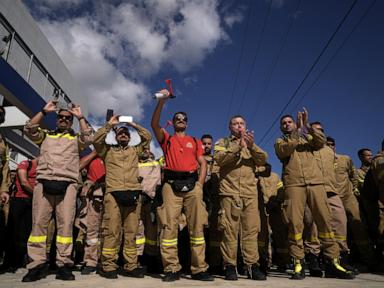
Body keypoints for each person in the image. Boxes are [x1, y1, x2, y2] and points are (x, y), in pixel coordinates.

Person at [274, 109, 354, 280]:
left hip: (316, 183)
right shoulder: (280, 141)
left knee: (325, 221)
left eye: (290, 122)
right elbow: (284, 152)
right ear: (282, 128)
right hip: (294, 184)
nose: (287, 124)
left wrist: (307, 127)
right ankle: (298, 262)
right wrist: (296, 132)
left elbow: (321, 141)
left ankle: (332, 261)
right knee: (295, 223)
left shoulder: (307, 138)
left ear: (295, 123)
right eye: (284, 123)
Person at [22, 101, 92, 282]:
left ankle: (64, 264)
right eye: (61, 117)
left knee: (66, 225)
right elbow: (30, 128)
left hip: (67, 185)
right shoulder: (45, 136)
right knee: (38, 224)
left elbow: (88, 139)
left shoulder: (76, 139)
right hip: (43, 184)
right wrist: (43, 112)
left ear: (71, 121)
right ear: (56, 119)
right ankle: (36, 264)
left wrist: (80, 117)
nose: (63, 120)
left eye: (67, 118)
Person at [151, 89, 213, 282]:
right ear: (174, 121)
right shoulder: (167, 139)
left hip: (192, 185)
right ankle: (171, 268)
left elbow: (203, 162)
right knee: (169, 227)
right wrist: (162, 101)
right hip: (171, 186)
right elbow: (154, 124)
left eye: (183, 118)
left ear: (187, 122)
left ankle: (199, 269)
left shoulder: (194, 141)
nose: (180, 120)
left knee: (197, 229)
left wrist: (200, 185)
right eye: (177, 117)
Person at [93, 115, 151, 279]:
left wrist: (132, 124)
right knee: (112, 232)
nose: (123, 135)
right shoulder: (107, 151)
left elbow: (147, 137)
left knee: (131, 232)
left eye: (126, 133)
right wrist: (109, 125)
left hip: (132, 193)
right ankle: (108, 265)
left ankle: (131, 266)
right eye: (120, 133)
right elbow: (96, 140)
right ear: (116, 136)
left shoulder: (136, 150)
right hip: (113, 194)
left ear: (130, 136)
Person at [214, 115, 268, 281]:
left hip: (249, 194)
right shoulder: (222, 143)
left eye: (241, 123)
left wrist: (250, 147)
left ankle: (252, 265)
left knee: (251, 231)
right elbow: (219, 159)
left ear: (245, 126)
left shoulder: (251, 145)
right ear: (230, 127)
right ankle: (230, 265)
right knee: (229, 231)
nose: (239, 126)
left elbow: (263, 159)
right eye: (235, 124)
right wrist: (238, 147)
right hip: (229, 193)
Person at [327, 137, 379, 271]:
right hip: (331, 197)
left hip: (348, 197)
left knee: (358, 225)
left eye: (332, 144)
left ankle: (369, 259)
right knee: (337, 229)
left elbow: (353, 175)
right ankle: (340, 259)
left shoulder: (345, 159)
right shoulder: (320, 161)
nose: (330, 146)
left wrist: (352, 189)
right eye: (327, 144)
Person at [1, 159, 37, 272]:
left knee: (27, 232)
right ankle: (9, 262)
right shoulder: (26, 163)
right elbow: (24, 182)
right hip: (19, 200)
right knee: (14, 231)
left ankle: (21, 261)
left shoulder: (44, 168)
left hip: (31, 202)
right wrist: (38, 195)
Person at [76, 150, 106, 275]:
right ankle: (90, 262)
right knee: (91, 230)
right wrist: (94, 153)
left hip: (111, 193)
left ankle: (107, 262)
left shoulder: (113, 155)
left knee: (109, 230)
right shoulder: (91, 157)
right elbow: (79, 166)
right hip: (93, 195)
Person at [137, 148, 162, 273]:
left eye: (148, 149)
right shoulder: (135, 163)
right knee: (138, 229)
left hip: (151, 199)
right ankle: (139, 258)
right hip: (137, 199)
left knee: (152, 231)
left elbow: (156, 180)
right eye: (143, 149)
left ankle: (151, 258)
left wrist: (150, 195)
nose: (146, 151)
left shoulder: (155, 163)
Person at [201, 134, 222, 274]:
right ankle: (198, 263)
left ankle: (215, 264)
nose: (207, 146)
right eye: (204, 144)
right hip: (200, 199)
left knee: (216, 232)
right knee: (199, 232)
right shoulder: (196, 159)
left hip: (215, 200)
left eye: (209, 144)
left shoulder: (218, 161)